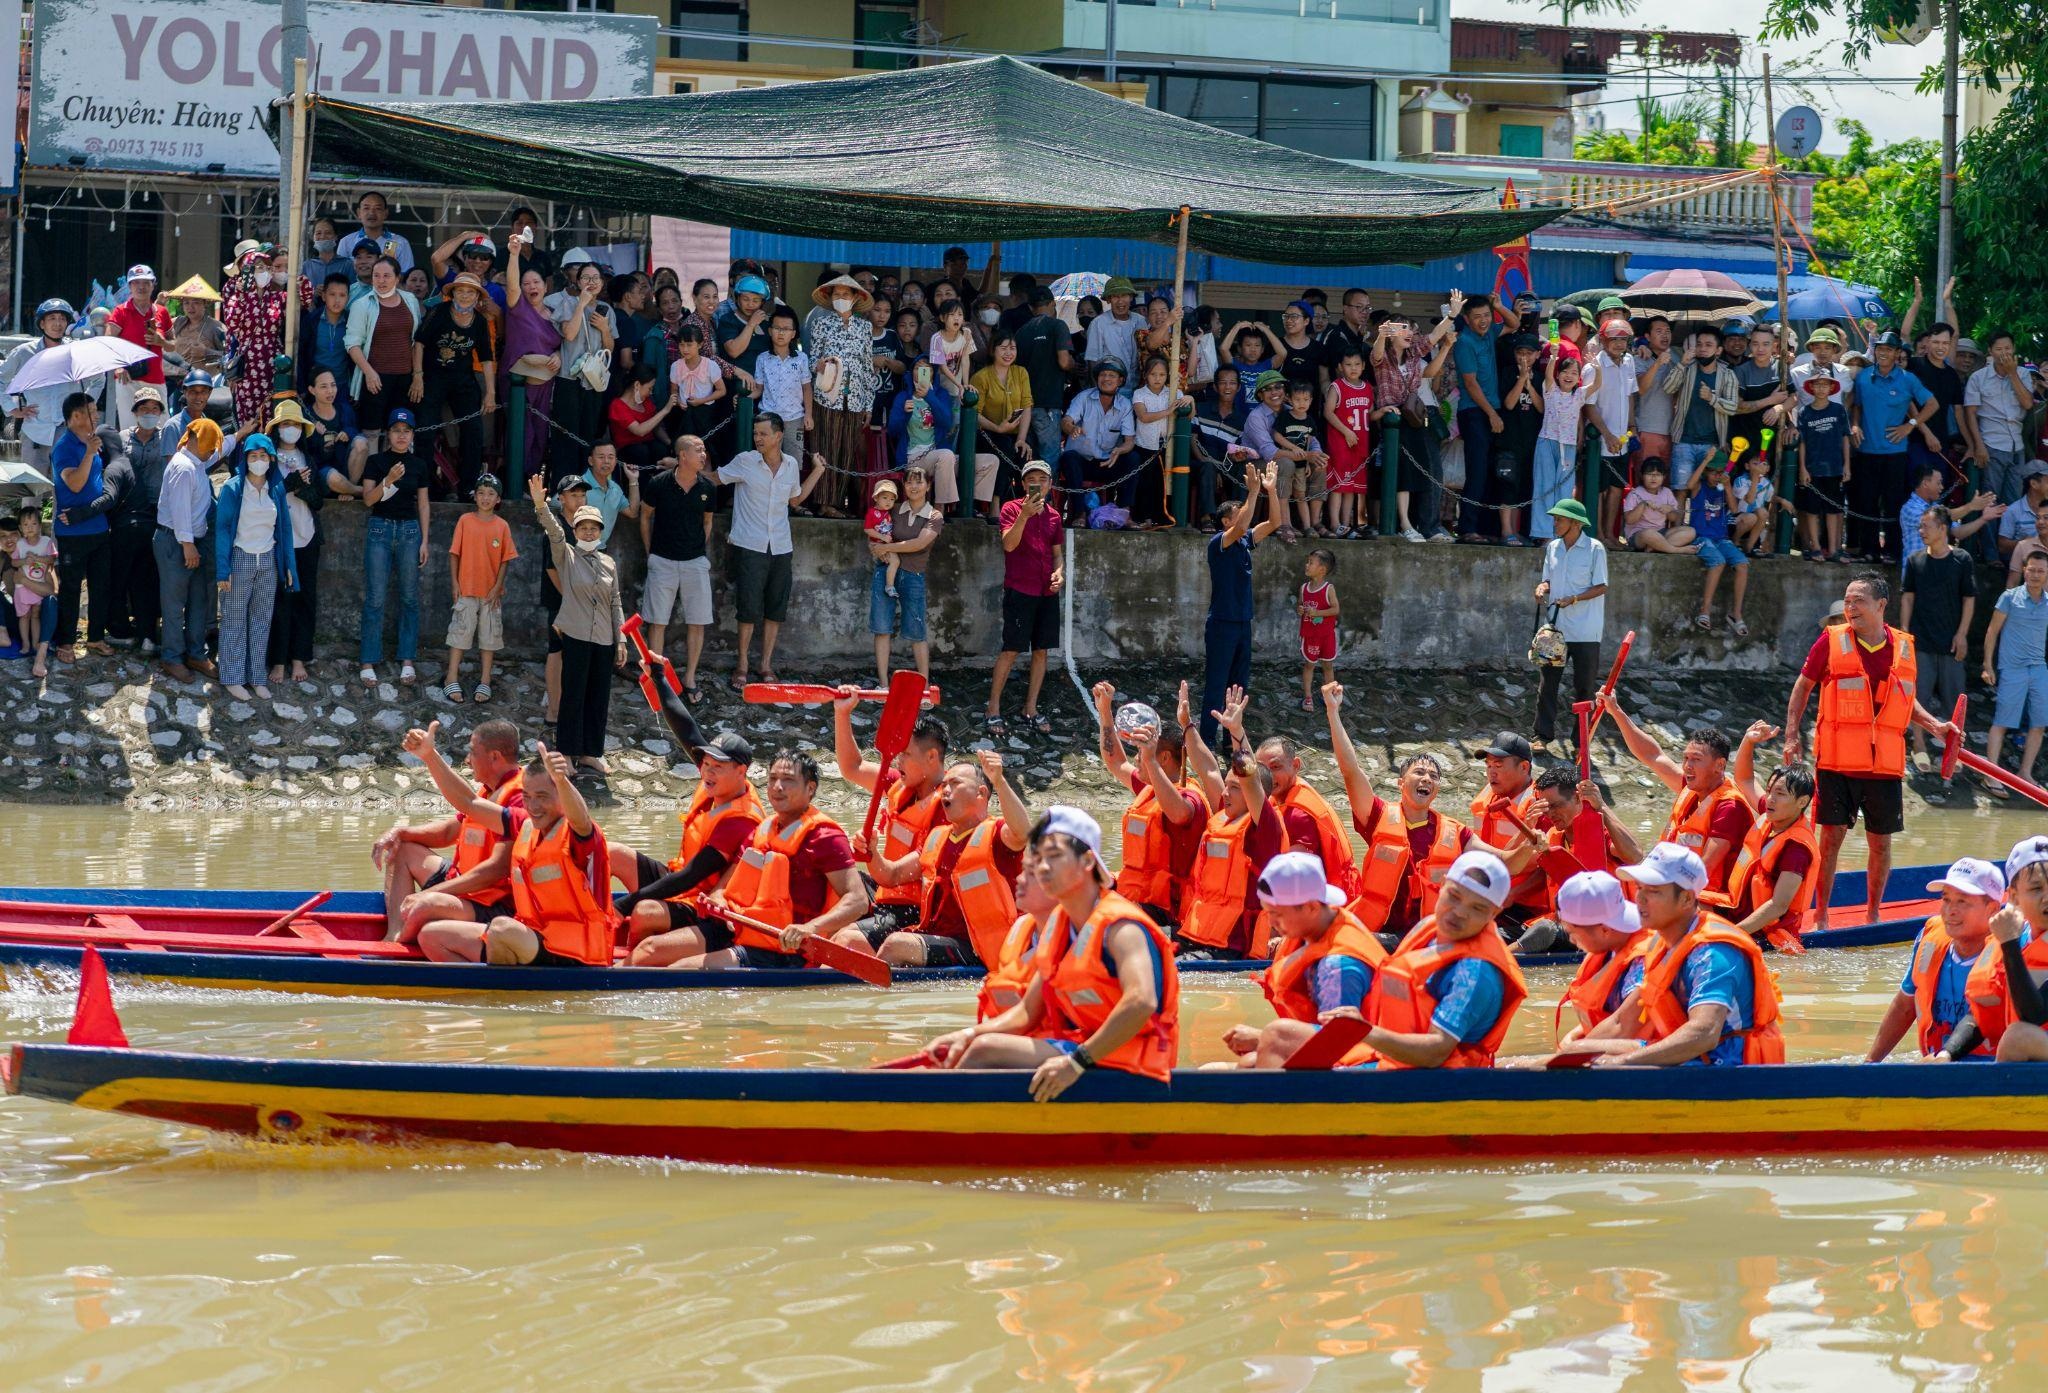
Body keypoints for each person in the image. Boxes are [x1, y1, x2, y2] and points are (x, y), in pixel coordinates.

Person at [926, 806, 1180, 1096]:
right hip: (1089, 1052)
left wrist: (1076, 1062)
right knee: (970, 1046)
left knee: (985, 1050)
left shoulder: (1122, 928)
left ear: (1087, 861)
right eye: (1039, 860)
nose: (1043, 868)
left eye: (1055, 856)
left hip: (1134, 1062)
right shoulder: (1059, 926)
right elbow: (1026, 1013)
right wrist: (966, 1034)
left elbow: (1141, 1001)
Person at [1785, 572, 1955, 929]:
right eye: (1847, 601)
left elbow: (1905, 700)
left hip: (1883, 766)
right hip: (1836, 763)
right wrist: (1791, 735)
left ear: (1881, 605)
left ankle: (1874, 915)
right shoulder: (1830, 641)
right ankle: (1822, 916)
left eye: (1858, 601)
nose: (1850, 607)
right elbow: (1803, 686)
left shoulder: (1903, 647)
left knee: (1880, 845)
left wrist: (1935, 725)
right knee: (1830, 841)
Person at [639, 749, 871, 971]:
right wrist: (718, 899)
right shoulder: (762, 830)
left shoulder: (826, 837)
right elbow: (723, 887)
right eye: (773, 779)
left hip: (786, 950)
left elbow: (858, 900)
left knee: (682, 970)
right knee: (649, 949)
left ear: (810, 788)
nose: (777, 787)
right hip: (740, 931)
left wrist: (810, 928)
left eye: (788, 780)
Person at [409, 737, 617, 968]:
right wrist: (430, 756)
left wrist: (561, 780)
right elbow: (468, 803)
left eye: (542, 797)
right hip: (532, 937)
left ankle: (501, 987)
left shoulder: (580, 836)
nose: (533, 807)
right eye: (527, 797)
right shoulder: (524, 824)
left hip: (578, 952)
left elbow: (581, 819)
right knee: (432, 936)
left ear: (561, 795)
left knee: (501, 928)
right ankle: (486, 988)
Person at [1571, 843, 1784, 1066]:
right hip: (1688, 1057)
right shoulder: (1660, 944)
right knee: (1575, 1052)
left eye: (1653, 891)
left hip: (1725, 1064)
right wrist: (1569, 1056)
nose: (1640, 898)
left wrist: (1619, 1063)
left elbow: (1703, 1033)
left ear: (1686, 899)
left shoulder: (1713, 953)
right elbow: (1621, 1023)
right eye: (1640, 888)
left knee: (1600, 1063)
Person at [845, 752, 1032, 968]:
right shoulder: (937, 838)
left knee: (896, 945)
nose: (946, 790)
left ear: (981, 793)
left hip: (980, 947)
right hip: (937, 938)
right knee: (853, 931)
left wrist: (999, 781)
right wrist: (871, 853)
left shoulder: (997, 835)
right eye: (944, 785)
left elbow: (1023, 832)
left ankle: (870, 988)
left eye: (955, 784)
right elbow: (891, 875)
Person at [1324, 681, 1471, 947]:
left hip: (1428, 939)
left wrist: (1530, 845)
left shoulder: (1456, 832)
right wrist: (1333, 712)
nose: (1426, 778)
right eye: (1419, 773)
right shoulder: (1378, 816)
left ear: (1437, 789)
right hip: (1380, 934)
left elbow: (1502, 861)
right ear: (1400, 783)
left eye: (1433, 776)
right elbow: (1350, 770)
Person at [1354, 848, 1528, 1069]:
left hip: (1436, 1078)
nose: (1460, 912)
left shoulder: (1474, 973)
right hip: (1391, 1059)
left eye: (1477, 908)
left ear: (1494, 913)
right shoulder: (1429, 927)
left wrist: (1363, 1032)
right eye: (1454, 896)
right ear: (1443, 884)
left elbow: (1435, 1053)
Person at [372, 718, 526, 941]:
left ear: (494, 756)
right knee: (403, 848)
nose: (467, 760)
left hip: (492, 903)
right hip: (463, 885)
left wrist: (429, 893)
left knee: (427, 903)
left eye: (472, 752)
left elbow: (494, 871)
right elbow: (448, 833)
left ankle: (405, 941)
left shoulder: (520, 797)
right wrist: (401, 832)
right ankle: (394, 935)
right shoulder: (488, 790)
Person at [1228, 853, 1385, 1069]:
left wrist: (1262, 1038)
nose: (1271, 922)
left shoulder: (1338, 966)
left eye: (1277, 914)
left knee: (1277, 1036)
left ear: (1311, 907)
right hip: (1347, 1054)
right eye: (1268, 913)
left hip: (1368, 1065)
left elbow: (1339, 1040)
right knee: (1238, 1065)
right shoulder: (1323, 926)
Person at [618, 731, 763, 958]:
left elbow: (690, 876)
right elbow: (685, 727)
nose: (707, 772)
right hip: (681, 882)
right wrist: (662, 703)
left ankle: (633, 961)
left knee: (643, 911)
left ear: (741, 771)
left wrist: (621, 906)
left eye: (717, 766)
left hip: (701, 899)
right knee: (613, 853)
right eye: (706, 764)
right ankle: (581, 921)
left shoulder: (740, 819)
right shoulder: (716, 782)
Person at [713, 414, 825, 688]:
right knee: (747, 608)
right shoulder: (745, 461)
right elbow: (716, 478)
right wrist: (683, 468)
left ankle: (765, 665)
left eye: (763, 434)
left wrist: (818, 471)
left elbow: (795, 500)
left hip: (781, 546)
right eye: (756, 434)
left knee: (776, 607)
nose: (758, 438)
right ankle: (742, 665)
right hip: (750, 545)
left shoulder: (791, 465)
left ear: (778, 436)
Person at [526, 473, 625, 777]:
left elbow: (616, 602)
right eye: (583, 527)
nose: (588, 531)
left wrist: (621, 639)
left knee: (598, 697)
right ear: (576, 530)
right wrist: (540, 505)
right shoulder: (567, 555)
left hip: (604, 638)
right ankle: (567, 754)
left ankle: (590, 753)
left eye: (593, 527)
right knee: (573, 696)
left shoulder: (608, 563)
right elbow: (554, 532)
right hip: (577, 635)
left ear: (600, 531)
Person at [1092, 680, 1210, 930]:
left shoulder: (1191, 797)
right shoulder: (1149, 789)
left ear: (1164, 758)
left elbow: (1178, 814)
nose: (1137, 759)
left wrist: (1150, 761)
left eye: (1143, 753)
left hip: (1166, 912)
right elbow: (1116, 762)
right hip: (1136, 895)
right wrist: (1105, 712)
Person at [1602, 701, 1750, 897]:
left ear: (1719, 765)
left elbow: (1704, 869)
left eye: (1696, 759)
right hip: (1673, 883)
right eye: (1686, 758)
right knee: (1620, 883)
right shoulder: (1691, 788)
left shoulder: (1729, 807)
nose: (1687, 765)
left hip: (1705, 898)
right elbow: (1652, 755)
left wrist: (1656, 894)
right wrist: (1616, 710)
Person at [1865, 857, 2005, 1061]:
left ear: (1992, 909)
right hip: (1933, 1065)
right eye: (1946, 899)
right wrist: (1870, 1064)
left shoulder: (2011, 951)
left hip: (1991, 1071)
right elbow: (1904, 1007)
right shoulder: (1930, 940)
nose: (1950, 910)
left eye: (1962, 901)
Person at [1175, 697, 1282, 958]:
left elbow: (1250, 778)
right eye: (1227, 786)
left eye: (1234, 788)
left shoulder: (1265, 828)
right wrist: (1187, 726)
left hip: (1232, 948)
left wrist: (1236, 732)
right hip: (1199, 935)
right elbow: (1208, 769)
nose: (1224, 793)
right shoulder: (1224, 817)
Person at [211, 431, 297, 701]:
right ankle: (232, 677)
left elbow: (284, 530)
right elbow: (222, 529)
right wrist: (223, 569)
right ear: (245, 459)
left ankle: (257, 676)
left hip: (268, 561)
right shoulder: (233, 488)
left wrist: (289, 566)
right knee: (234, 620)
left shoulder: (276, 488)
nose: (258, 461)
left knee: (261, 621)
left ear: (271, 459)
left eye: (263, 456)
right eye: (253, 456)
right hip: (240, 559)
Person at [1717, 728, 1820, 951]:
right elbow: (1744, 779)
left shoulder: (1796, 849)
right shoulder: (1774, 813)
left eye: (1780, 793)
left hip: (1766, 935)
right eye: (1770, 791)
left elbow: (1778, 905)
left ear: (1802, 802)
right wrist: (1748, 741)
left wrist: (1733, 933)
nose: (1770, 799)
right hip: (1736, 913)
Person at [985, 460, 1066, 737]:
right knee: (1011, 649)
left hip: (1046, 591)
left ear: (1050, 484)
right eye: (1032, 480)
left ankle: (1030, 707)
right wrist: (1025, 515)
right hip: (1020, 590)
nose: (1037, 484)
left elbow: (1057, 554)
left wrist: (1060, 574)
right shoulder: (1011, 509)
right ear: (1023, 484)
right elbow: (1009, 544)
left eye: (1043, 480)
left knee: (1042, 650)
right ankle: (993, 708)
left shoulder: (1054, 516)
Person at [1951, 838, 2048, 1061]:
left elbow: (2034, 1016)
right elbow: (1981, 1015)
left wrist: (2009, 944)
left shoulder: (2009, 940)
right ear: (2013, 896)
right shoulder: (2011, 938)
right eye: (2036, 888)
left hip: (2030, 1042)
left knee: (2018, 1038)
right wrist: (1947, 1053)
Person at [356, 407, 431, 687]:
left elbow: (423, 504)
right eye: (397, 430)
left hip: (410, 531)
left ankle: (407, 658)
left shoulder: (420, 464)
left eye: (406, 431)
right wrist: (388, 480)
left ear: (412, 435)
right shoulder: (376, 461)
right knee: (375, 597)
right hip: (380, 529)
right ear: (388, 434)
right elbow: (368, 500)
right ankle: (368, 660)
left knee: (409, 597)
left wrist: (425, 540)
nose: (401, 436)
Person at [1901, 503, 1978, 774]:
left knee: (1954, 699)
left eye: (1926, 526)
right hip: (1921, 641)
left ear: (1943, 528)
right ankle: (1918, 744)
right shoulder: (1915, 561)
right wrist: (1905, 635)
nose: (1921, 530)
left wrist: (1962, 634)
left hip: (1951, 642)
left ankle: (1953, 750)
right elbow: (1907, 598)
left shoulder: (1962, 559)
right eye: (1920, 526)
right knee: (1918, 696)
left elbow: (1969, 599)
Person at [1851, 331, 1941, 561]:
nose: (1883, 353)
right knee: (1866, 502)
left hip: (1895, 451)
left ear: (1897, 353)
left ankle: (1893, 550)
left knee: (1894, 503)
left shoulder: (1907, 379)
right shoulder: (1863, 377)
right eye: (1880, 348)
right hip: (1866, 450)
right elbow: (1857, 405)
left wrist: (1910, 425)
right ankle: (1869, 551)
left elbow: (1932, 404)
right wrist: (1855, 425)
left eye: (1889, 349)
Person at [638, 438, 716, 700]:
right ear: (683, 455)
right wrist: (651, 553)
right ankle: (657, 678)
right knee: (657, 621)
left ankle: (689, 678)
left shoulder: (707, 487)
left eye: (704, 450)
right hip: (662, 560)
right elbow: (645, 516)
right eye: (698, 450)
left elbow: (707, 521)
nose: (703, 454)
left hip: (695, 561)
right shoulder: (658, 483)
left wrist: (697, 549)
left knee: (698, 620)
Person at [409, 271, 497, 494]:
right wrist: (418, 377)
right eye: (461, 291)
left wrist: (490, 393)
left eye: (470, 292)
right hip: (432, 377)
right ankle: (424, 487)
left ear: (477, 296)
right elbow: (419, 343)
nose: (465, 296)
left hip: (462, 380)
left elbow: (487, 359)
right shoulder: (438, 312)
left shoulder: (480, 322)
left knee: (473, 431)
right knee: (425, 430)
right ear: (453, 293)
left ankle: (468, 488)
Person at [3, 299, 105, 493]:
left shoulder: (76, 351)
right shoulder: (24, 352)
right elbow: (1, 380)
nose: (58, 323)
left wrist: (81, 409)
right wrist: (12, 409)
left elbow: (98, 380)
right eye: (52, 318)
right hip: (34, 430)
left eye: (62, 319)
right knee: (30, 492)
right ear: (42, 323)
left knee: (65, 489)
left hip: (67, 431)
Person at [98, 385, 171, 652]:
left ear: (160, 412)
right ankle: (121, 629)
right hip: (125, 513)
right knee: (120, 575)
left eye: (154, 409)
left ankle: (148, 633)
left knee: (148, 577)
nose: (149, 413)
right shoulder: (122, 438)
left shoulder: (167, 438)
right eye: (143, 408)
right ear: (135, 412)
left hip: (156, 513)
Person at [1532, 499, 1607, 756]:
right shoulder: (1553, 548)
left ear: (1575, 523)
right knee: (1547, 684)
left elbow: (1602, 586)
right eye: (1555, 519)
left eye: (1560, 519)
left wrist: (1574, 598)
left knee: (1585, 688)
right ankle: (1541, 736)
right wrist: (1542, 587)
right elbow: (1548, 579)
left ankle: (1580, 743)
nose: (1555, 523)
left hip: (1587, 631)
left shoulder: (1595, 549)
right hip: (1556, 628)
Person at [435, 473, 517, 705]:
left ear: (498, 499)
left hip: (491, 593)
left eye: (491, 494)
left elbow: (505, 560)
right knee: (460, 632)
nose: (485, 498)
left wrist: (498, 586)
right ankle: (451, 676)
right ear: (475, 496)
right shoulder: (465, 521)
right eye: (481, 493)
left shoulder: (502, 526)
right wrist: (455, 583)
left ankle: (485, 680)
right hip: (466, 589)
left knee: (489, 636)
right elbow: (454, 554)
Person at [809, 274, 881, 521]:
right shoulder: (821, 324)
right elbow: (812, 359)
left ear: (855, 298)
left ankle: (838, 502)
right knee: (827, 447)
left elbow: (867, 366)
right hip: (827, 396)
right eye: (837, 294)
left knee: (847, 451)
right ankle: (824, 502)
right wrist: (818, 365)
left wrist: (868, 405)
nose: (841, 298)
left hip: (855, 399)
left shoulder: (864, 327)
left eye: (845, 294)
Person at [154, 416, 221, 682]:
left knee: (198, 601)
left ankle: (196, 653)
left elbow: (224, 447)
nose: (213, 450)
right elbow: (180, 511)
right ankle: (171, 657)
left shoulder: (197, 463)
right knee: (174, 605)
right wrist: (188, 545)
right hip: (177, 542)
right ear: (198, 440)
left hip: (191, 541)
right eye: (211, 444)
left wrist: (240, 434)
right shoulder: (183, 467)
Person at [50, 392, 113, 662]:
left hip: (97, 525)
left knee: (101, 585)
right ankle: (65, 641)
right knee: (71, 588)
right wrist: (88, 454)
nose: (96, 415)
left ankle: (96, 636)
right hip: (72, 532)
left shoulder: (91, 440)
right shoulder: (64, 447)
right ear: (76, 417)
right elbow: (74, 484)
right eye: (91, 411)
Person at [1452, 293, 1520, 540]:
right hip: (1474, 412)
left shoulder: (1490, 332)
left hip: (1493, 412)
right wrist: (1492, 414)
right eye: (1477, 317)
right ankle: (1467, 528)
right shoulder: (1464, 342)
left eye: (1487, 315)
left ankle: (1487, 529)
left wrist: (1499, 306)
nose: (1483, 320)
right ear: (1467, 319)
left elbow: (1514, 324)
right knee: (1477, 471)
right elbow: (1470, 384)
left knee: (1493, 470)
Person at [1980, 551, 2048, 798]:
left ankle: (2025, 773)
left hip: (2039, 668)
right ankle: (1990, 775)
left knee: (2039, 724)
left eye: (2041, 571)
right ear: (2024, 570)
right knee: (2002, 722)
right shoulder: (2009, 597)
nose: (2035, 575)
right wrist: (1987, 665)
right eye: (2031, 570)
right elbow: (1992, 631)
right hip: (2012, 669)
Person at [1552, 871, 1648, 1046]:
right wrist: (1575, 1035)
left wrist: (1573, 1050)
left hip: (1640, 1055)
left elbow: (1622, 1026)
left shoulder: (1642, 962)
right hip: (1601, 1047)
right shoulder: (1611, 947)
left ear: (1604, 930)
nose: (1571, 940)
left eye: (1572, 933)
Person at [221, 247, 309, 434]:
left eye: (268, 268)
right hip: (248, 367)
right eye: (259, 267)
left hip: (272, 363)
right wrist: (243, 296)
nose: (265, 272)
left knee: (272, 414)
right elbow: (232, 324)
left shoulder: (278, 298)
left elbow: (304, 301)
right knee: (248, 419)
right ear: (249, 271)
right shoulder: (238, 298)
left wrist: (300, 283)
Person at [1466, 731, 1549, 931]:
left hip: (1525, 905)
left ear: (1524, 767)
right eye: (1488, 766)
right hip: (1491, 894)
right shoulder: (1488, 797)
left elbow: (1548, 869)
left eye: (1499, 766)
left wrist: (1512, 895)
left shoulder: (1542, 806)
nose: (1491, 773)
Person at [870, 463, 942, 682]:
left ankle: (924, 686)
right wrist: (876, 548)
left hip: (913, 576)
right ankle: (883, 684)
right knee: (882, 628)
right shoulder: (893, 509)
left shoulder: (934, 516)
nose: (913, 486)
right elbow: (874, 534)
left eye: (919, 482)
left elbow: (919, 544)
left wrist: (888, 548)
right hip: (885, 572)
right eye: (909, 482)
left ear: (928, 485)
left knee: (917, 632)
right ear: (903, 485)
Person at [1529, 351, 1595, 546]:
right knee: (1544, 487)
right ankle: (1543, 533)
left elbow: (1597, 385)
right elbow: (1548, 375)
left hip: (1568, 445)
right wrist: (1553, 357)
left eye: (1574, 373)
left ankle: (1560, 534)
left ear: (1579, 378)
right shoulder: (1550, 390)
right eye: (1565, 372)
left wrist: (1597, 367)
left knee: (1564, 490)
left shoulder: (1579, 395)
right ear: (1558, 375)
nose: (1569, 376)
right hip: (1547, 441)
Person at [1057, 361, 1137, 520]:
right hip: (1081, 463)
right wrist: (1072, 428)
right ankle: (1079, 514)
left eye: (1112, 375)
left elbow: (1130, 441)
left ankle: (1125, 514)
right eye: (1103, 374)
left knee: (1133, 458)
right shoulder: (1084, 397)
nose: (1106, 378)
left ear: (1120, 380)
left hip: (1107, 463)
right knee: (1069, 457)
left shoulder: (1125, 404)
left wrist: (1120, 450)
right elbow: (1066, 420)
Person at [1663, 324, 1738, 491]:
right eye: (1699, 344)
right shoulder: (1687, 368)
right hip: (1683, 441)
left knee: (1709, 490)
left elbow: (1732, 407)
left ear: (1718, 350)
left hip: (1712, 444)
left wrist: (1711, 398)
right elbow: (1667, 388)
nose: (1702, 349)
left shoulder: (1728, 374)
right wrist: (1682, 364)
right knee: (1681, 490)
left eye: (1708, 345)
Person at [1964, 331, 2036, 505]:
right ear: (1990, 351)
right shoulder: (1978, 378)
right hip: (1991, 445)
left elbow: (2027, 404)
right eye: (1999, 349)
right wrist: (1978, 446)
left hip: (2017, 445)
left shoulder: (2023, 374)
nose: (2004, 353)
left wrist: (2012, 373)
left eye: (2008, 348)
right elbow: (1970, 414)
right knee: (1990, 500)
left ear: (2014, 349)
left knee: (2013, 499)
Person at [971, 334, 1035, 520]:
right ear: (993, 350)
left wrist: (1021, 439)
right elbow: (974, 414)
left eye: (1012, 348)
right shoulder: (981, 377)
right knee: (1005, 450)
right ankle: (995, 503)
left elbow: (1027, 406)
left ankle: (1030, 507)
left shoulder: (1021, 373)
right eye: (1004, 348)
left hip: (1017, 433)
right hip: (989, 433)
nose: (1009, 353)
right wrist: (998, 428)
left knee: (1028, 455)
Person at [1687, 454, 1750, 634]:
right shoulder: (1699, 486)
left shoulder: (1723, 488)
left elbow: (1735, 509)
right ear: (1706, 472)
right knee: (1718, 561)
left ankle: (1736, 614)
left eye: (1721, 472)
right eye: (1713, 472)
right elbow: (1690, 485)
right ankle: (1704, 611)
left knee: (1742, 564)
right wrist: (1705, 460)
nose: (1717, 476)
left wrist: (1728, 486)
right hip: (1701, 537)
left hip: (1721, 538)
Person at [886, 362, 961, 510]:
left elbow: (947, 423)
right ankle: (939, 511)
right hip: (914, 456)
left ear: (933, 373)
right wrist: (904, 414)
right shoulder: (903, 397)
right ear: (911, 373)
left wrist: (929, 396)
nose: (922, 371)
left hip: (938, 455)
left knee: (988, 462)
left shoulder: (941, 395)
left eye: (927, 368)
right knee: (946, 456)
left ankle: (974, 511)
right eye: (917, 368)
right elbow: (892, 430)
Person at [105, 265, 172, 430]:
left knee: (162, 429)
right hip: (128, 379)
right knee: (130, 430)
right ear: (129, 286)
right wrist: (118, 367)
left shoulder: (162, 312)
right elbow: (107, 342)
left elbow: (173, 346)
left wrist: (162, 342)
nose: (141, 287)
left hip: (156, 379)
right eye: (136, 283)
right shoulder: (120, 311)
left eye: (146, 283)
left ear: (153, 285)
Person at [1795, 371, 1852, 560]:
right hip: (1813, 469)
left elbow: (1845, 438)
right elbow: (1802, 442)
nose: (1821, 389)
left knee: (1833, 510)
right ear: (1811, 387)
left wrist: (1847, 465)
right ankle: (1816, 548)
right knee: (1812, 510)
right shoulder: (1804, 412)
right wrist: (1802, 468)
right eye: (1817, 385)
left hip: (1835, 468)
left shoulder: (1838, 410)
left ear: (1831, 388)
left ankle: (1834, 550)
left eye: (1825, 385)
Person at [1014, 288, 1074, 467]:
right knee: (1049, 459)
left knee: (1029, 459)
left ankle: (1028, 487)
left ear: (1031, 308)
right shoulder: (1058, 326)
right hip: (1048, 404)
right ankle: (1048, 488)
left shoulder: (1021, 332)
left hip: (1024, 406)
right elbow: (1064, 362)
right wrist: (1075, 365)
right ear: (1053, 304)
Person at [9, 504, 58, 677]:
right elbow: (14, 562)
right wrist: (24, 561)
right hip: (22, 587)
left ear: (40, 525)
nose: (30, 527)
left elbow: (52, 559)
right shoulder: (20, 544)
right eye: (26, 524)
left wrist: (37, 558)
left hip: (38, 585)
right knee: (24, 615)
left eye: (34, 523)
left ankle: (37, 643)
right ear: (21, 528)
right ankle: (25, 644)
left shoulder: (46, 542)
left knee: (36, 614)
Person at [1621, 459, 1697, 554]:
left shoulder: (1667, 492)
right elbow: (1629, 520)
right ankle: (1675, 550)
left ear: (1664, 477)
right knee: (1649, 533)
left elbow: (1673, 518)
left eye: (1658, 475)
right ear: (1642, 476)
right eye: (1649, 474)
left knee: (1690, 531)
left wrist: (1669, 510)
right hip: (1639, 535)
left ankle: (1655, 547)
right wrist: (1642, 505)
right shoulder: (1634, 493)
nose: (1653, 478)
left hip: (1660, 532)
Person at [1297, 548, 1339, 711]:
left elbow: (1335, 609)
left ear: (1322, 569)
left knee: (1328, 665)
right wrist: (1300, 609)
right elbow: (1300, 605)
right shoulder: (1304, 588)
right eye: (1307, 562)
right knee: (1309, 665)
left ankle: (1331, 696)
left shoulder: (1329, 589)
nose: (1306, 565)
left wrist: (1318, 613)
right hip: (1310, 636)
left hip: (1326, 636)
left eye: (1310, 563)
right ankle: (1308, 697)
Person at [336, 191, 415, 273]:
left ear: (385, 213)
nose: (372, 213)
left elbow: (407, 275)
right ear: (359, 213)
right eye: (366, 208)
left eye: (378, 208)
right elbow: (339, 274)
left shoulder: (400, 242)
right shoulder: (346, 242)